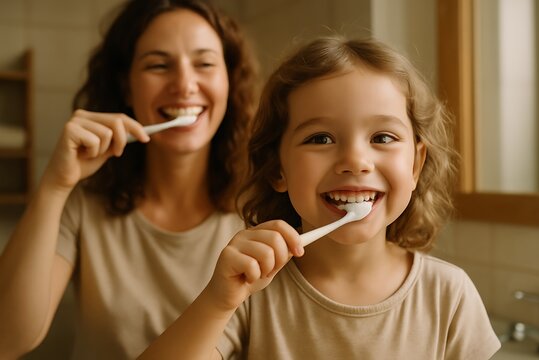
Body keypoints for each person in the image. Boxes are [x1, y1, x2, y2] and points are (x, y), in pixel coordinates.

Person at [139, 36, 501, 359]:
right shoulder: (250, 295)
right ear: (277, 169)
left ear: (415, 164)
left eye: (383, 138)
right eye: (321, 139)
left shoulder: (448, 296)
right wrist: (218, 302)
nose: (356, 162)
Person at [0, 0, 258, 359]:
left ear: (229, 80)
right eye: (158, 65)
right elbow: (6, 339)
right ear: (126, 86)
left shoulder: (260, 209)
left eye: (205, 64)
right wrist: (54, 187)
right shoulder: (84, 205)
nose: (184, 84)